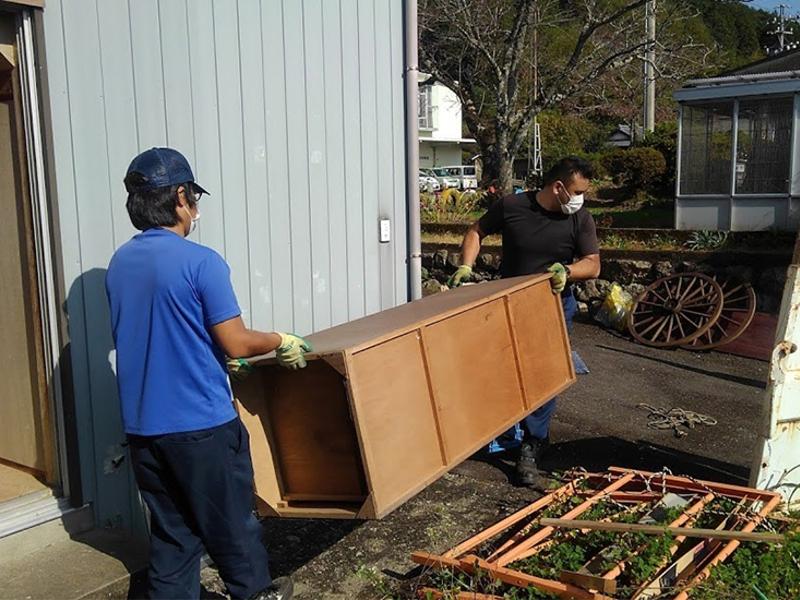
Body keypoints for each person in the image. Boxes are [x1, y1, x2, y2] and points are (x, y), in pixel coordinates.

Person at [106, 147, 307, 600]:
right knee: (233, 529)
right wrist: (280, 340)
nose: (195, 209)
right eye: (193, 197)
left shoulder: (120, 265)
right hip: (201, 428)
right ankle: (255, 594)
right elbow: (236, 340)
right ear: (180, 197)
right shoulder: (201, 262)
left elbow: (161, 331)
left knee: (174, 537)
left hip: (144, 431)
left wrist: (214, 353)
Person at [447, 156, 601, 487]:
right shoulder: (513, 206)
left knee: (544, 375)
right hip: (509, 303)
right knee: (503, 368)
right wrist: (466, 265)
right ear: (558, 187)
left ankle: (533, 443)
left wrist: (568, 271)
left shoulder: (580, 219)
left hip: (553, 305)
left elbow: (593, 264)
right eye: (577, 191)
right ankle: (501, 430)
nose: (580, 199)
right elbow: (477, 230)